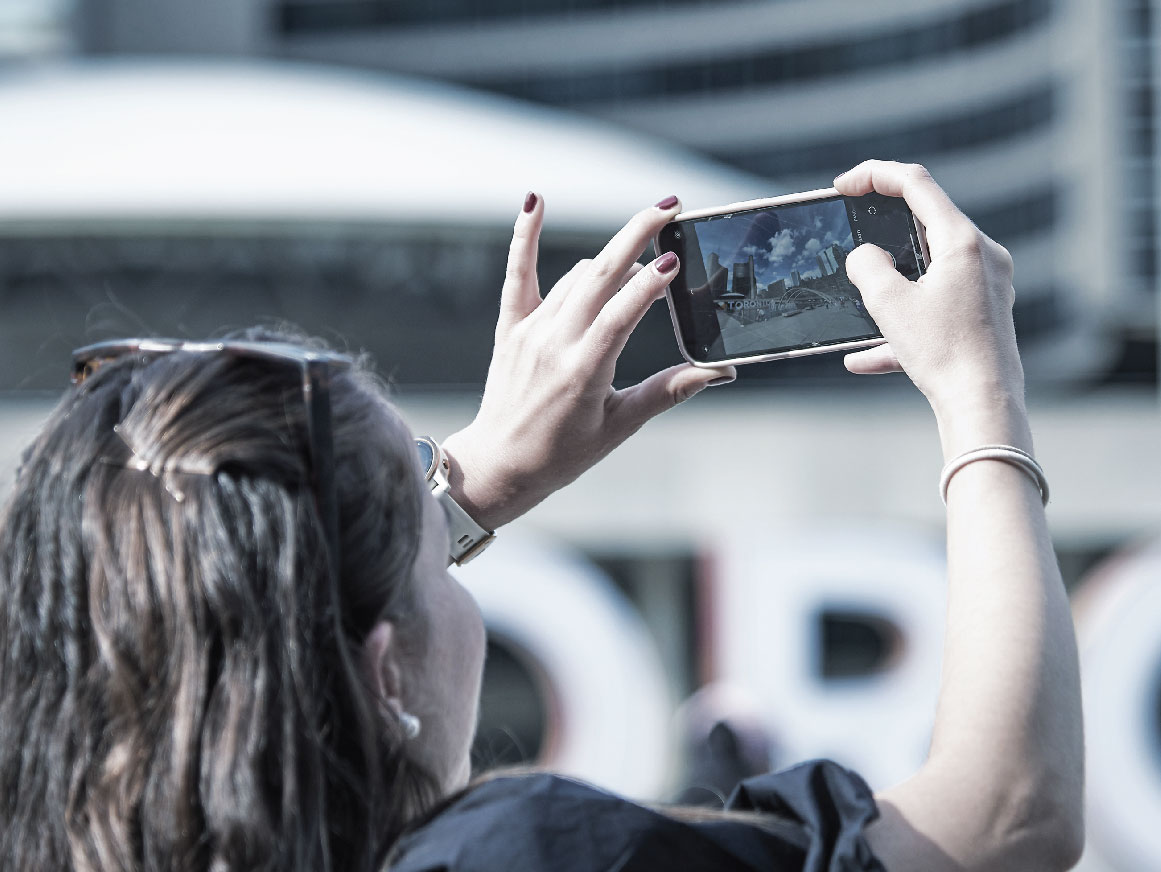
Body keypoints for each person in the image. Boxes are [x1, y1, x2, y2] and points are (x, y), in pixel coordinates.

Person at [0, 161, 1083, 872]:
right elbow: (1007, 815)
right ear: (381, 675)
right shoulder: (514, 853)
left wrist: (453, 493)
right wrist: (983, 398)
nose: (457, 526)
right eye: (447, 556)